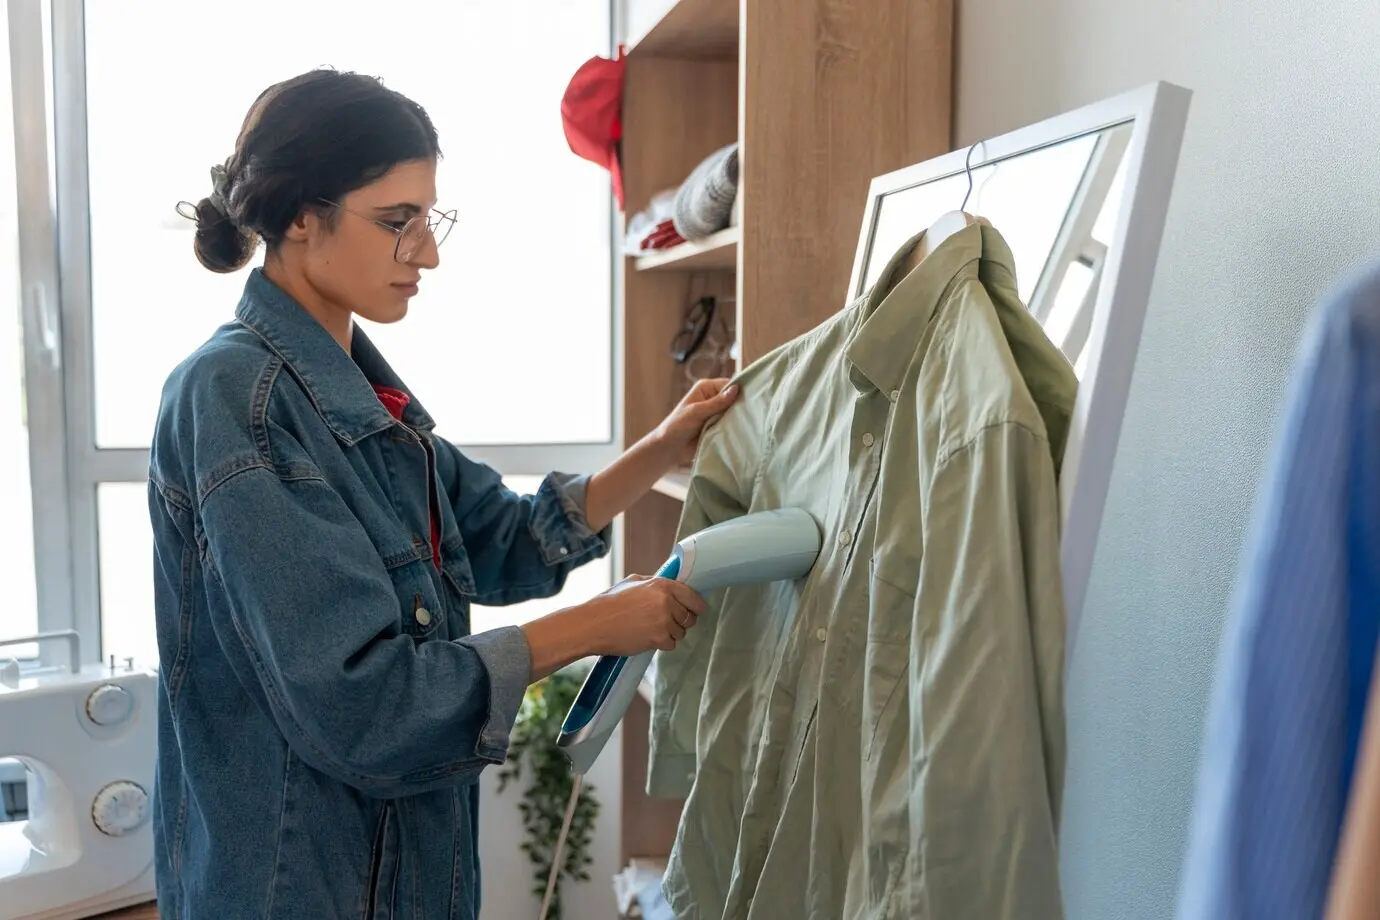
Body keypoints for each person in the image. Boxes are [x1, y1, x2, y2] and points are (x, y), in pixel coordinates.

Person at [147, 68, 737, 920]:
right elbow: (367, 704)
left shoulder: (359, 396)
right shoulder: (236, 398)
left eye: (430, 219)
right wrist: (595, 625)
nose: (427, 253)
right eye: (398, 222)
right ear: (302, 216)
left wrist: (658, 451)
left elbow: (502, 539)